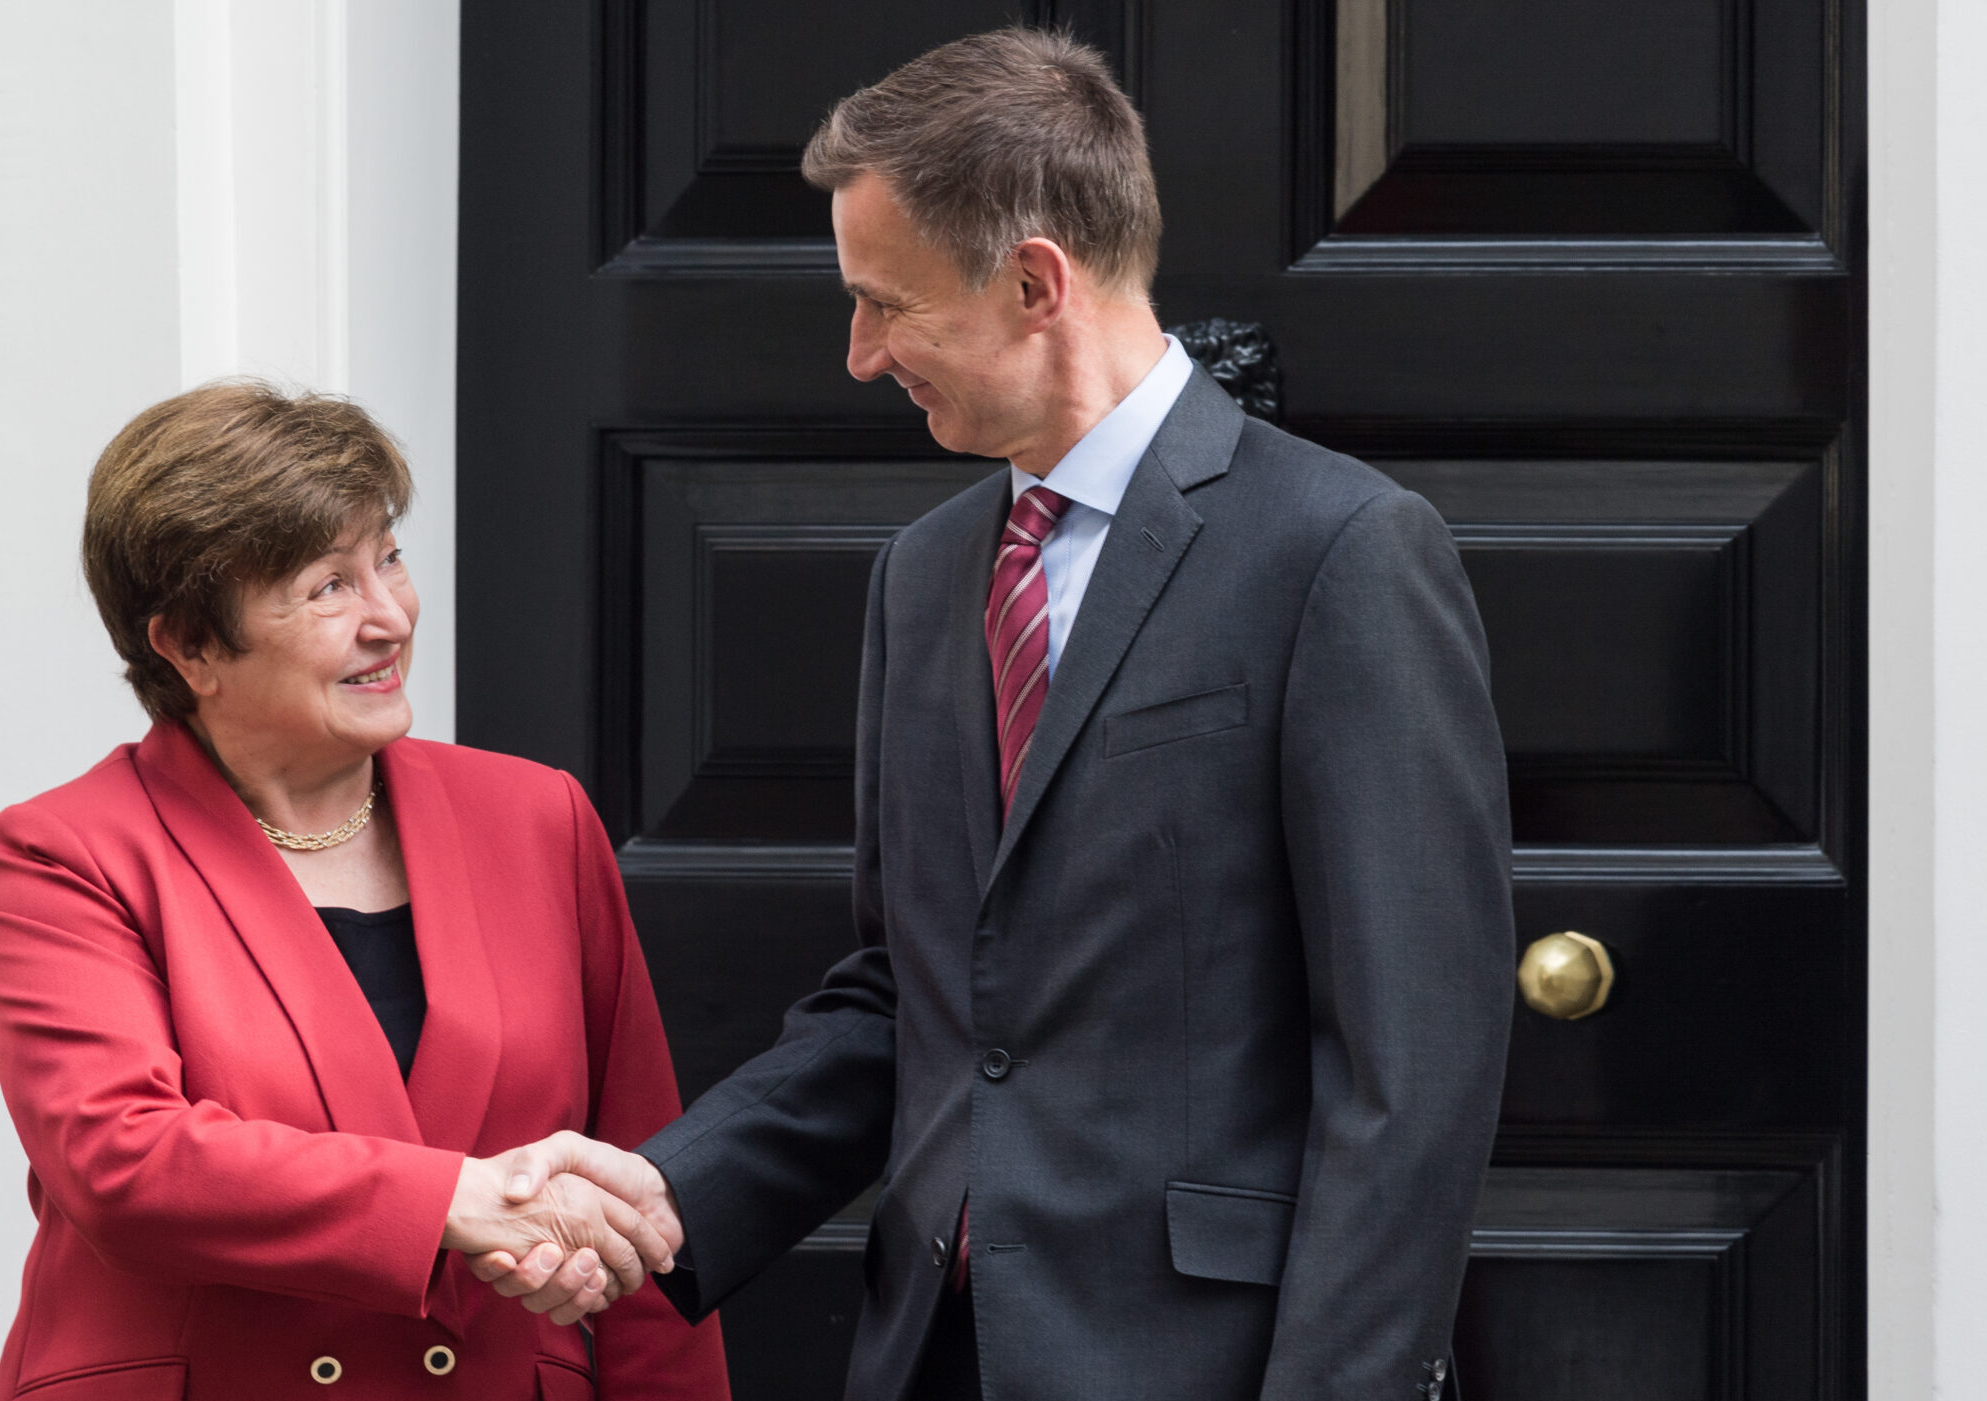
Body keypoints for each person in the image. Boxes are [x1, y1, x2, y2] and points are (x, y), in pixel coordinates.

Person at [475, 29, 1513, 1401]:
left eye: (884, 305)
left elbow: (1411, 1068)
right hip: (931, 1355)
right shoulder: (926, 574)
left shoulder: (1340, 550)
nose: (859, 355)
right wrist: (660, 1196)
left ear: (1034, 283)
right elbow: (907, 998)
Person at [0, 383, 729, 1401]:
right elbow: (123, 1161)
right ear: (190, 645)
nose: (390, 617)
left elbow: (639, 1193)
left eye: (389, 558)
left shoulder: (537, 819)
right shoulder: (71, 850)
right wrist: (452, 1199)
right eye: (328, 586)